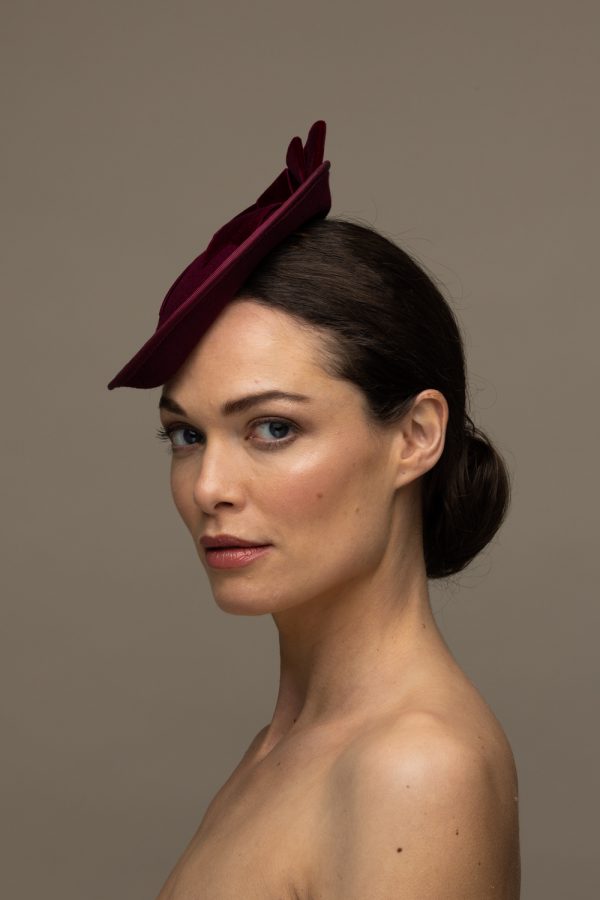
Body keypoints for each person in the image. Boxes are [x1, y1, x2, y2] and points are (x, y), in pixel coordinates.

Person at [108, 123, 520, 898]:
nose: (208, 487)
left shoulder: (413, 769)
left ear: (416, 437)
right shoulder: (283, 748)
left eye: (273, 428)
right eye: (187, 435)